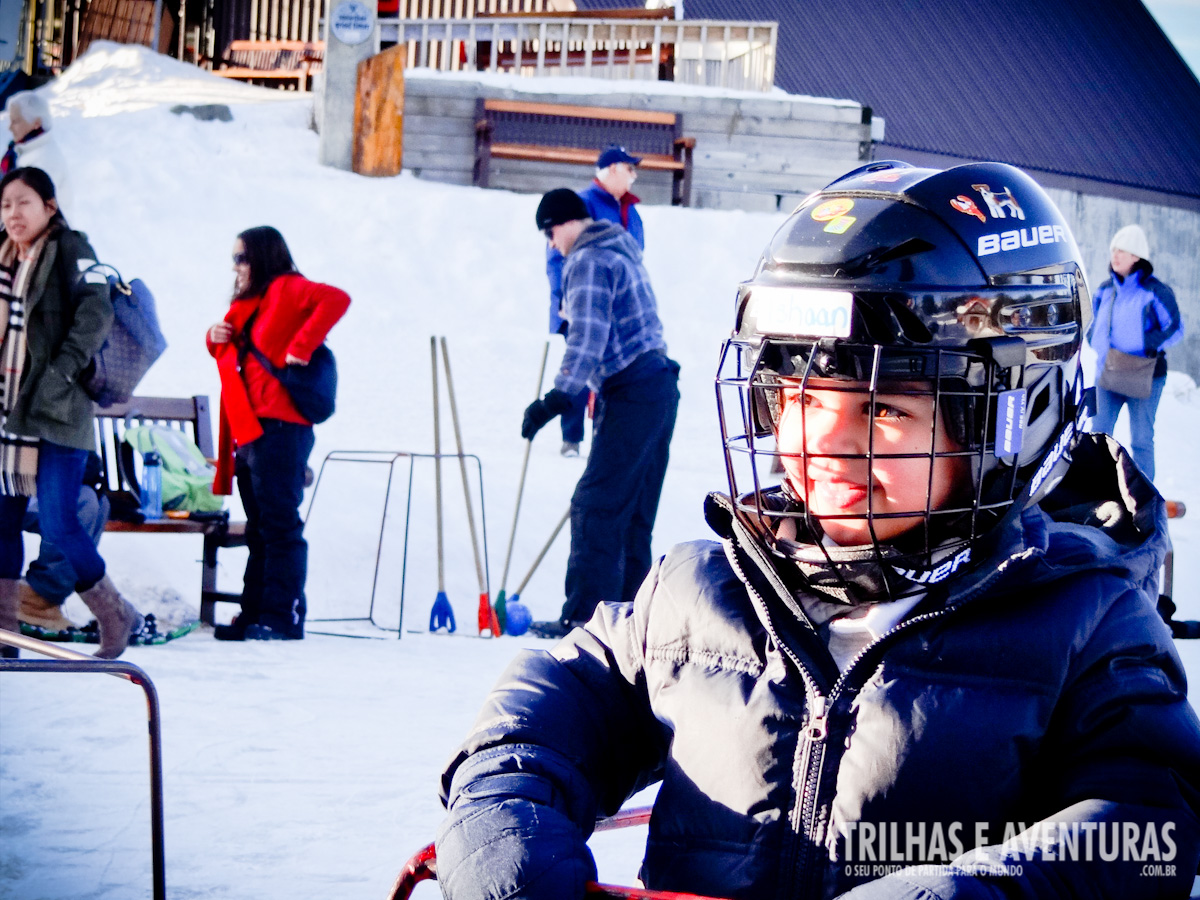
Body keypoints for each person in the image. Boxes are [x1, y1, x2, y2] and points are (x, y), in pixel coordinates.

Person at [435, 162, 1200, 900]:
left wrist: (961, 891)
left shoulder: (1088, 625)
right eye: (800, 400)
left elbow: (1143, 825)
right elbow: (563, 691)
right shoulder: (708, 592)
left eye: (885, 410)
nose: (825, 443)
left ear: (1013, 420)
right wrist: (503, 809)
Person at [521, 188, 679, 639]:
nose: (552, 244)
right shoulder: (620, 252)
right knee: (631, 515)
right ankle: (631, 623)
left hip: (632, 391)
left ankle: (584, 621)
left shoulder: (588, 260)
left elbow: (587, 337)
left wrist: (556, 398)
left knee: (595, 506)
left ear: (568, 222)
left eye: (550, 232)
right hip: (659, 387)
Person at [0, 166, 141, 659]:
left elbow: (97, 308)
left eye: (23, 202)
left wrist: (61, 372)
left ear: (50, 207)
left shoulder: (72, 248)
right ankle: (6, 638)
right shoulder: (4, 256)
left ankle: (114, 612)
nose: (13, 213)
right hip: (9, 414)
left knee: (61, 522)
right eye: (5, 205)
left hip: (57, 410)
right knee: (1, 522)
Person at [206, 226, 349, 641]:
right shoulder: (245, 303)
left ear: (264, 257)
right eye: (234, 258)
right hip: (249, 429)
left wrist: (302, 346)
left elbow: (336, 299)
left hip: (282, 427)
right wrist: (212, 336)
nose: (236, 267)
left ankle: (280, 616)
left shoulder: (287, 288)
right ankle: (253, 614)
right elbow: (231, 353)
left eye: (242, 258)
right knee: (258, 527)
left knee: (280, 526)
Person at [545, 145, 645, 457]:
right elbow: (556, 257)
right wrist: (566, 298)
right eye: (630, 169)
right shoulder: (581, 204)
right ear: (613, 168)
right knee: (580, 363)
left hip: (620, 311)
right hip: (582, 304)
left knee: (614, 373)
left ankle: (607, 436)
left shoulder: (631, 211)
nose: (634, 176)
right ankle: (571, 437)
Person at [1086, 223, 1183, 481]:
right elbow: (1092, 326)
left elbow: (1175, 328)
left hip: (1145, 375)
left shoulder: (1156, 291)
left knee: (1141, 439)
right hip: (1108, 373)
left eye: (1123, 250)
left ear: (1137, 257)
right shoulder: (1104, 289)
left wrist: (1144, 343)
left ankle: (1143, 498)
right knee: (1099, 433)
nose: (1115, 255)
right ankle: (1097, 489)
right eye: (1114, 249)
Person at [17, 452, 110, 633]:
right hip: (13, 485)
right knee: (81, 503)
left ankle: (39, 600)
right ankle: (34, 601)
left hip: (33, 478)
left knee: (97, 501)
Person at [2, 92, 73, 214]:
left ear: (36, 123)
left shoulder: (44, 160)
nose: (10, 127)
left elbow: (30, 213)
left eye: (16, 121)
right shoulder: (19, 152)